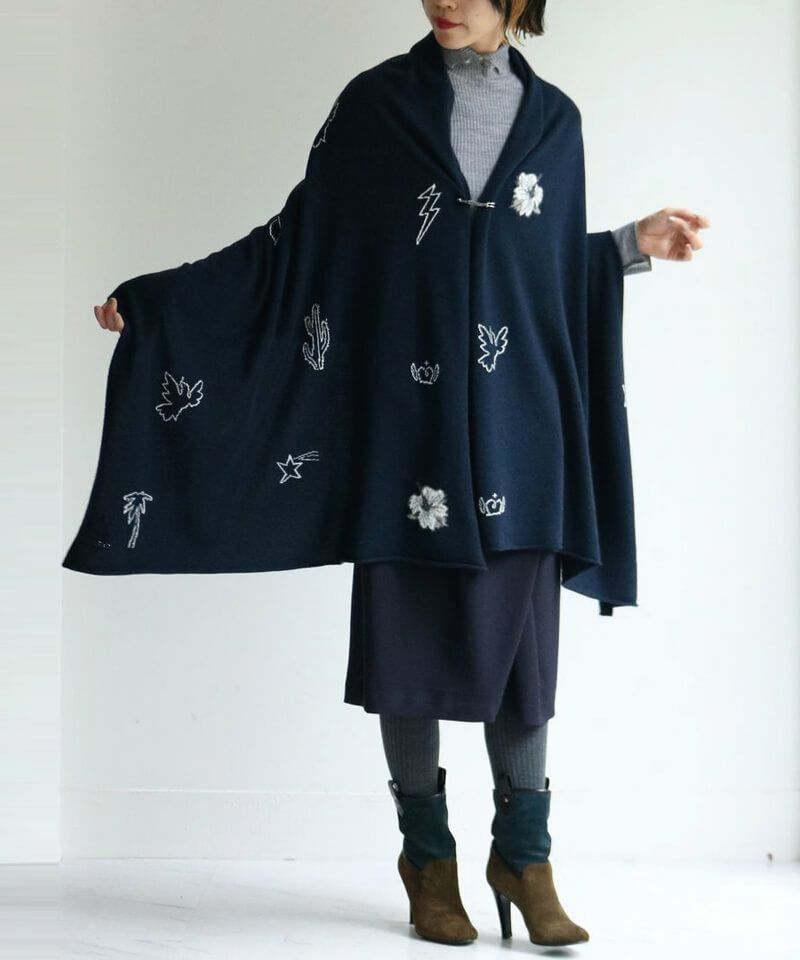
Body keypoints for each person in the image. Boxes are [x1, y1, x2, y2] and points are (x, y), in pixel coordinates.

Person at [92, 0, 710, 949]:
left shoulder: (556, 122)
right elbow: (297, 245)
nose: (442, 0)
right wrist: (163, 301)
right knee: (409, 650)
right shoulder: (378, 105)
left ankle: (526, 858)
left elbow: (539, 269)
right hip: (408, 429)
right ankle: (428, 861)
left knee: (524, 659)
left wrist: (630, 245)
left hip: (521, 429)